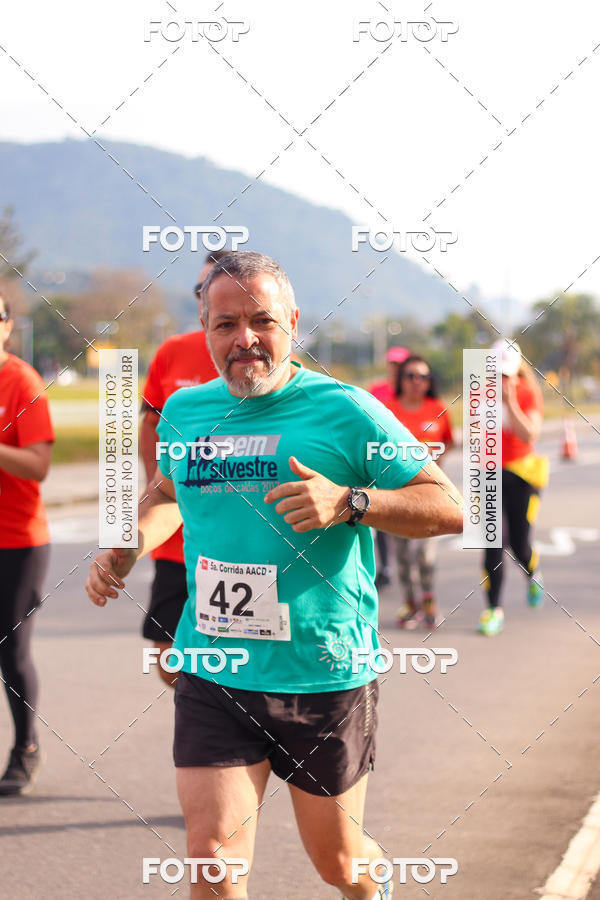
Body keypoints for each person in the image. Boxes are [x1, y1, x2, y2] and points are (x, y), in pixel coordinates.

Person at [86, 251, 463, 900]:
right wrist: (126, 548)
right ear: (203, 329)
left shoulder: (345, 412)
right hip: (214, 666)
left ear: (292, 321)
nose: (245, 339)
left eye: (262, 320)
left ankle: (372, 885)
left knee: (339, 865)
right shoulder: (186, 412)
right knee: (212, 860)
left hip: (322, 670)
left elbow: (449, 507)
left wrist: (351, 501)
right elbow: (166, 496)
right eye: (225, 324)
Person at [140, 250, 229, 686]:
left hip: (237, 545)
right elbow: (149, 424)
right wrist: (154, 487)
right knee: (167, 658)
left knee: (238, 660)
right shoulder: (172, 351)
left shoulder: (263, 360)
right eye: (201, 290)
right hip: (175, 541)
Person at [0, 294, 54, 796]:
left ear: (8, 325)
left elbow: (38, 465)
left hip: (17, 541)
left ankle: (26, 750)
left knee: (11, 651)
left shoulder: (22, 382)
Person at [478, 340, 546, 637]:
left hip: (522, 474)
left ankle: (533, 574)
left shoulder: (528, 392)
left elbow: (530, 433)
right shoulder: (480, 394)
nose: (501, 380)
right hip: (489, 475)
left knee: (519, 544)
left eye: (506, 374)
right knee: (493, 543)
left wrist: (510, 403)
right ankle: (493, 609)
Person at [384, 355, 454, 630]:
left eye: (422, 376)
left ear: (429, 382)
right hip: (395, 493)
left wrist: (435, 474)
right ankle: (410, 605)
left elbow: (447, 443)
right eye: (410, 375)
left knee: (425, 554)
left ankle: (429, 605)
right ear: (401, 380)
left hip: (429, 494)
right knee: (401, 556)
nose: (416, 381)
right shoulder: (387, 411)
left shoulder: (438, 409)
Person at [368, 347, 410, 588]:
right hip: (380, 458)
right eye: (391, 364)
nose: (394, 369)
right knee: (380, 512)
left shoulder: (410, 389)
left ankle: (405, 565)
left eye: (399, 365)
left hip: (403, 459)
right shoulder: (378, 389)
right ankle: (385, 566)